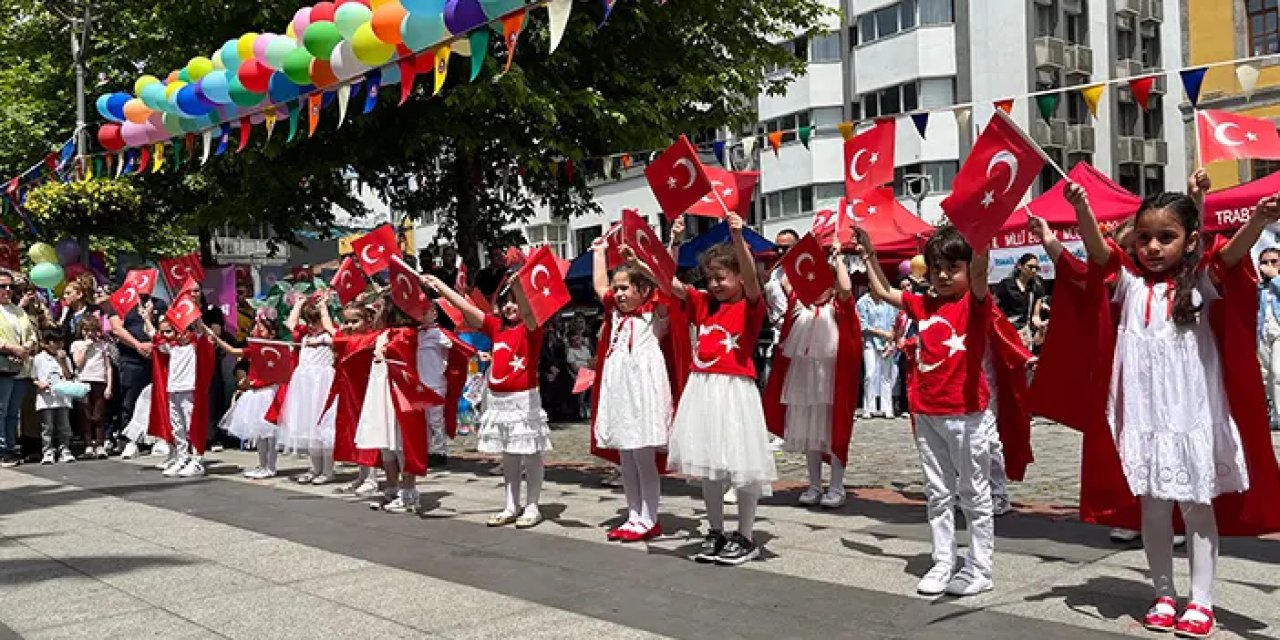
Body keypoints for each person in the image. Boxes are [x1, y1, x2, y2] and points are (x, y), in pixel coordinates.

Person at [1034, 175, 1280, 636]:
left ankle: (1202, 601)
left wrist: (1258, 221)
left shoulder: (1203, 279)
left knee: (1197, 506)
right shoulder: (1127, 281)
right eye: (1144, 237)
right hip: (1144, 420)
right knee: (1151, 507)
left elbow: (1230, 256)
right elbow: (1100, 254)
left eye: (1166, 237)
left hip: (1194, 416)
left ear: (1190, 241)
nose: (1152, 246)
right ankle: (1164, 593)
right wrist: (1083, 209)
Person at [860, 224, 997, 597]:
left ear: (968, 269)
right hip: (927, 411)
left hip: (966, 413)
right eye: (936, 267)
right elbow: (884, 291)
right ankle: (943, 561)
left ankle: (980, 567)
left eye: (952, 267)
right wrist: (870, 254)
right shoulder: (925, 304)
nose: (942, 275)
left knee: (974, 492)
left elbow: (982, 272)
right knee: (938, 493)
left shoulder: (975, 302)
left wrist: (984, 231)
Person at [664, 213, 778, 566]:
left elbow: (750, 276)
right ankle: (715, 530)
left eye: (721, 277)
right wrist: (675, 243)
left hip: (735, 391)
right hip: (703, 391)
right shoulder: (702, 304)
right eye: (709, 277)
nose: (714, 284)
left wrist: (738, 236)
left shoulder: (751, 305)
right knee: (709, 467)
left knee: (741, 465)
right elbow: (669, 282)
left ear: (740, 279)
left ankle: (745, 535)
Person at [430, 277, 552, 529]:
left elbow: (529, 312)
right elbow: (466, 309)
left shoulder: (532, 328)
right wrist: (440, 287)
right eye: (505, 302)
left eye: (514, 302)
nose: (510, 307)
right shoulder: (497, 327)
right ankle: (510, 504)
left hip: (524, 399)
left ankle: (532, 506)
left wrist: (519, 286)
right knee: (508, 456)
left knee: (530, 453)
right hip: (499, 401)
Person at [586, 238, 684, 542]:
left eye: (625, 288)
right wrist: (600, 253)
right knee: (626, 457)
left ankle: (649, 517)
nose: (618, 294)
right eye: (617, 289)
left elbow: (666, 281)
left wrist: (668, 249)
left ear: (643, 289)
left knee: (643, 457)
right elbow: (599, 285)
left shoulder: (655, 312)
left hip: (643, 390)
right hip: (619, 388)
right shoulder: (614, 313)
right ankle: (633, 515)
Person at [763, 243, 860, 510]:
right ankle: (814, 484)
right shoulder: (800, 308)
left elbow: (846, 287)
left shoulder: (837, 308)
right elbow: (785, 279)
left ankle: (836, 485)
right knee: (809, 433)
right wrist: (801, 253)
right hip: (805, 380)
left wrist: (837, 259)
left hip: (831, 382)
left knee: (833, 431)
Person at [210, 314, 284, 479]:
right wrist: (217, 339)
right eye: (256, 327)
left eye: (261, 328)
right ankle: (262, 463)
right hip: (255, 394)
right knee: (259, 433)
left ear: (271, 333)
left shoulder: (278, 348)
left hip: (269, 393)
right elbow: (233, 350)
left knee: (269, 433)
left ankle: (270, 466)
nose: (257, 330)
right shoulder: (253, 348)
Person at [279, 295, 339, 484]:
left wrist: (323, 309)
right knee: (308, 427)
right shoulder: (304, 337)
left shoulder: (328, 336)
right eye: (309, 322)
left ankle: (328, 470)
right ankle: (314, 468)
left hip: (322, 384)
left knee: (323, 428)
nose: (312, 326)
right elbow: (290, 324)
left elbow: (333, 331)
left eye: (316, 322)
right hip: (304, 385)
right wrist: (298, 304)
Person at [149, 316, 217, 478]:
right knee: (177, 426)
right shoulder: (172, 347)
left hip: (189, 390)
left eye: (183, 332)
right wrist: (146, 318)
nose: (180, 336)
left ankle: (197, 459)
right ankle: (182, 457)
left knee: (190, 426)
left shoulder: (195, 348)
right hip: (173, 390)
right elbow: (155, 337)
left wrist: (197, 320)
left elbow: (203, 335)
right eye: (177, 333)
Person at [330, 298, 382, 495]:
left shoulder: (373, 338)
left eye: (355, 322)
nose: (349, 326)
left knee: (369, 431)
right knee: (354, 432)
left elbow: (334, 334)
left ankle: (372, 477)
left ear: (368, 321)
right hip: (350, 392)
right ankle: (362, 474)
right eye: (347, 322)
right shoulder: (348, 339)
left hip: (367, 391)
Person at [111, 291, 162, 458]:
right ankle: (130, 441)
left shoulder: (159, 303)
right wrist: (137, 345)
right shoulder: (122, 302)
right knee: (130, 399)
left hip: (155, 358)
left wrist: (150, 316)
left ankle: (157, 438)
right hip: (131, 359)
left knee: (157, 398)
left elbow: (166, 328)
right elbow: (116, 328)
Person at [0, 270, 37, 466]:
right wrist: (12, 348)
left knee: (14, 411)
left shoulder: (18, 310)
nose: (7, 290)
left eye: (10, 287)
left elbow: (31, 333)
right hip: (3, 365)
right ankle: (2, 449)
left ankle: (11, 446)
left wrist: (27, 347)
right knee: (1, 409)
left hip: (20, 366)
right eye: (3, 286)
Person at [70, 315, 113, 459]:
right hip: (83, 381)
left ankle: (100, 444)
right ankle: (88, 444)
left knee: (99, 414)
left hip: (99, 381)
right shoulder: (77, 344)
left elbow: (108, 367)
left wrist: (109, 386)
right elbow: (78, 363)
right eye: (86, 330)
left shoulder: (103, 345)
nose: (89, 334)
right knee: (85, 415)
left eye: (93, 330)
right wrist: (86, 348)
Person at [31, 328, 75, 465]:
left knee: (64, 426)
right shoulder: (38, 359)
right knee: (47, 426)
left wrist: (62, 362)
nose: (59, 345)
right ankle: (48, 451)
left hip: (62, 398)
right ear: (45, 343)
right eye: (55, 342)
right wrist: (40, 383)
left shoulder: (65, 358)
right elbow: (32, 377)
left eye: (61, 342)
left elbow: (69, 376)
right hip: (46, 399)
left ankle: (64, 449)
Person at [856, 288, 898, 419]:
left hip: (886, 343)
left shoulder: (888, 302)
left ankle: (887, 408)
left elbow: (893, 321)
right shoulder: (862, 302)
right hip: (870, 342)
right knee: (870, 374)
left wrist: (890, 336)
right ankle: (868, 407)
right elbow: (863, 325)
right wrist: (881, 333)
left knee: (886, 376)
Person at [993, 254, 1045, 348]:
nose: (1033, 270)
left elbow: (1035, 316)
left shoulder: (1037, 286)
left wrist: (1040, 326)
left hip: (1025, 332)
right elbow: (992, 307)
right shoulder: (1006, 285)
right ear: (1020, 266)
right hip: (1007, 330)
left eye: (1036, 268)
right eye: (1030, 267)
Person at [1256, 247, 1280, 431]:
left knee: (1277, 372)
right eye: (1265, 262)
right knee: (1265, 377)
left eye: (1274, 261)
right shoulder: (1260, 286)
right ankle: (1273, 412)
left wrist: (1275, 278)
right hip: (1263, 334)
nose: (1269, 265)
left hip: (1278, 331)